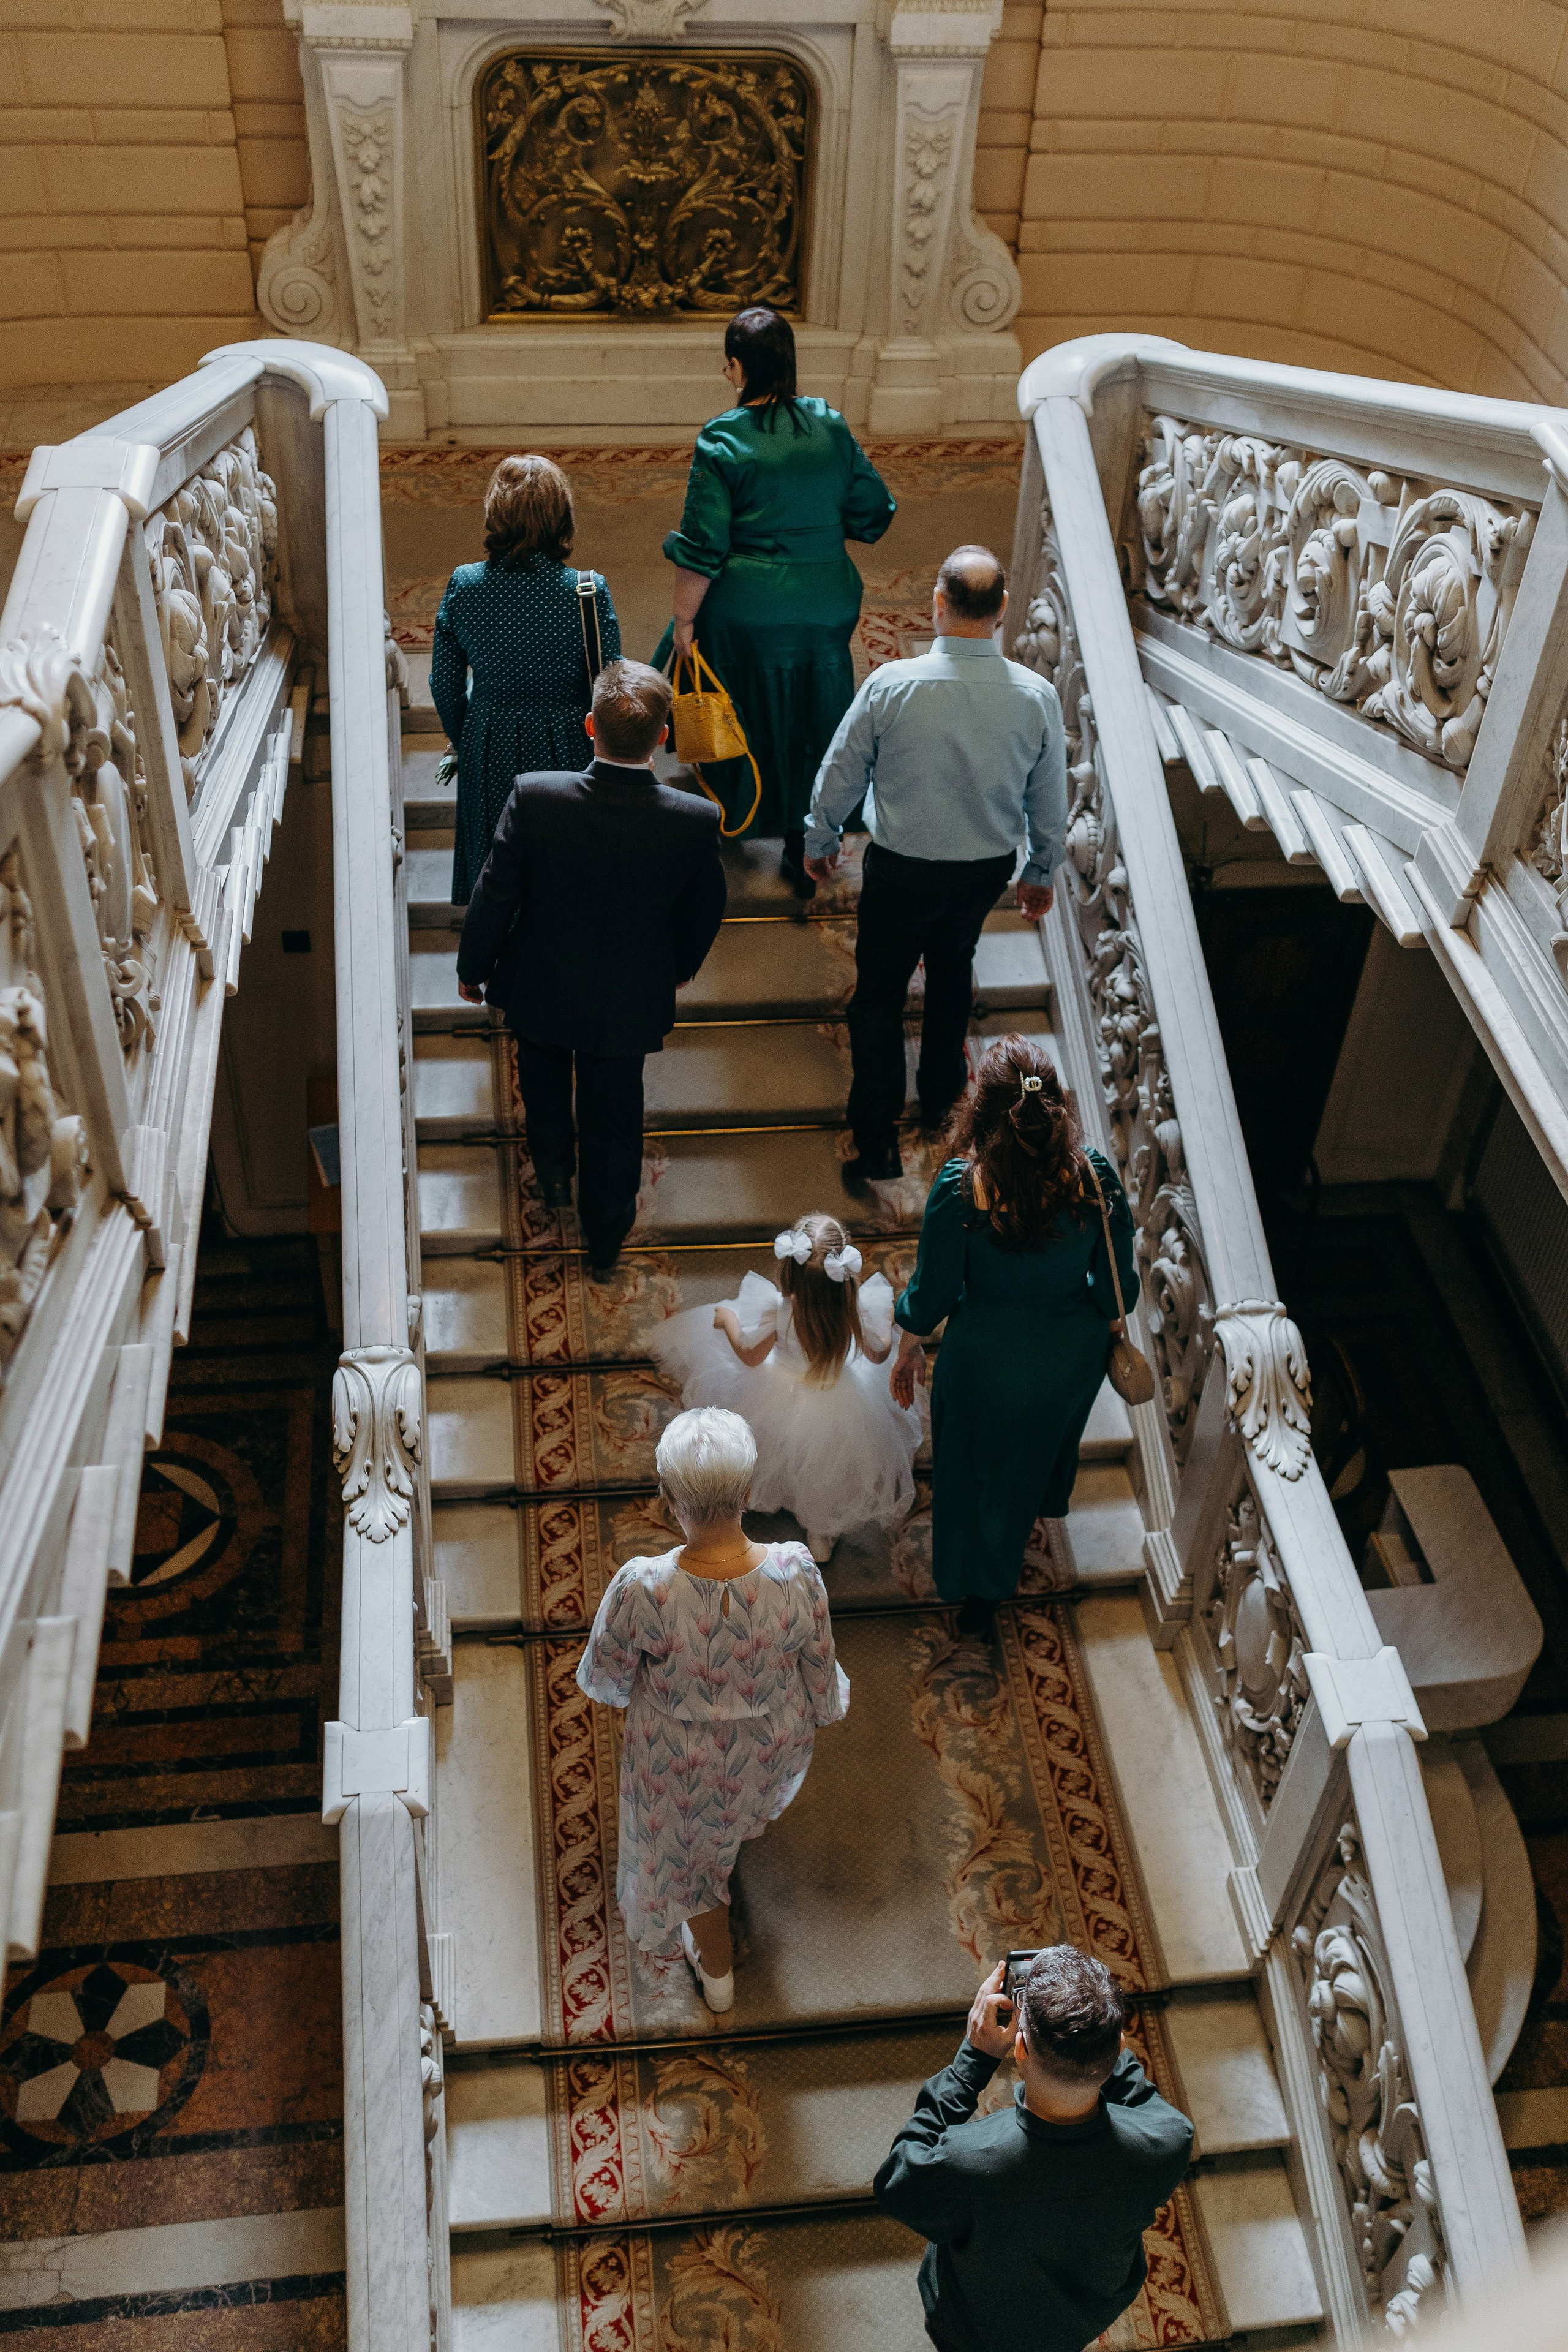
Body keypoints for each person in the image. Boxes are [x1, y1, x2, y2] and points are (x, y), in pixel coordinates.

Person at [804, 545, 1068, 1187]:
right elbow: (1049, 794)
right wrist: (1040, 869)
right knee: (953, 968)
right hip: (982, 870)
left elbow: (840, 771)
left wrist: (821, 838)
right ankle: (944, 1104)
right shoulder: (1036, 697)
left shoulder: (891, 684)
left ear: (937, 606)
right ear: (1003, 610)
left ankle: (877, 1144)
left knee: (878, 998)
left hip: (900, 869)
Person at [454, 659, 725, 1279]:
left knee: (543, 1085)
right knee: (615, 1115)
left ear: (587, 726)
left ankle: (552, 1178)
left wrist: (474, 966)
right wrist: (679, 967)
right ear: (662, 737)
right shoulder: (692, 819)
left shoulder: (536, 796)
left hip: (541, 982)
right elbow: (704, 908)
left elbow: (495, 893)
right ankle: (604, 1240)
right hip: (629, 995)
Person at [576, 1406, 850, 2013]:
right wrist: (822, 1708)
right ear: (750, 1492)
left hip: (679, 1758)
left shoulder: (642, 1586)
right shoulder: (796, 1570)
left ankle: (718, 1977)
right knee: (729, 1823)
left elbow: (607, 1679)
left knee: (697, 1877)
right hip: (768, 1746)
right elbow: (818, 1662)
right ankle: (729, 1841)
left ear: (666, 1495)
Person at [888, 1036, 1137, 1640]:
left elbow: (933, 1294)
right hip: (1064, 1362)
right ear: (1055, 1108)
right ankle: (994, 1585)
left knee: (968, 1470)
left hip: (982, 1361)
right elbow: (1115, 1292)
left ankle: (966, 1580)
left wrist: (907, 1347)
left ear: (983, 1110)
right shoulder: (1093, 1175)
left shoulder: (959, 1189)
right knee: (1022, 1467)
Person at [656, 306, 896, 896]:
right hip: (824, 606)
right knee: (817, 720)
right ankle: (804, 845)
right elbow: (873, 513)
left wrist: (684, 621)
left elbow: (702, 546)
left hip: (745, 612)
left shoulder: (721, 438)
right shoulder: (832, 425)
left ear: (736, 367)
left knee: (740, 711)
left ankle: (734, 814)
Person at [874, 1946, 1193, 2352]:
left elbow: (897, 2181)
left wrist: (972, 2060)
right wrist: (1094, 2031)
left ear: (1019, 2049)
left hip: (976, 2331)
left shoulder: (966, 2160)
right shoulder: (1169, 2138)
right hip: (1082, 2315)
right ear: (1120, 2047)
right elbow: (1132, 2089)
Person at [647, 1212, 922, 1565]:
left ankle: (757, 1494)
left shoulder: (777, 1312)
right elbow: (881, 1351)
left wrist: (728, 1321)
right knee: (828, 1469)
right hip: (843, 1401)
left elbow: (749, 1355)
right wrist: (884, 1319)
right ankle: (822, 1534)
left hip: (780, 1394)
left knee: (772, 1449)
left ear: (789, 1274)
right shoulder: (854, 1310)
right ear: (846, 1278)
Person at [432, 453, 621, 905]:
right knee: (565, 860)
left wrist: (468, 737)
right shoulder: (588, 590)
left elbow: (444, 682)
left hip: (489, 738)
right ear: (562, 517)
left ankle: (496, 956)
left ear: (495, 513)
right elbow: (611, 681)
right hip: (570, 740)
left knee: (496, 858)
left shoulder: (465, 584)